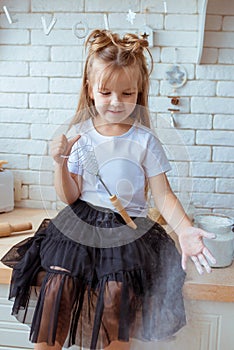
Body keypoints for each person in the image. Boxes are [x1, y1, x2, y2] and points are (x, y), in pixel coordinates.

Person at [1, 29, 216, 350]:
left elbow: (164, 195)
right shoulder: (79, 134)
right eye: (106, 93)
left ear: (139, 91)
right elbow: (70, 196)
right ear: (90, 90)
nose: (116, 103)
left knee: (117, 299)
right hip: (80, 224)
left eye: (127, 94)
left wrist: (184, 228)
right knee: (57, 290)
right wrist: (59, 163)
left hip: (126, 230)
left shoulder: (145, 141)